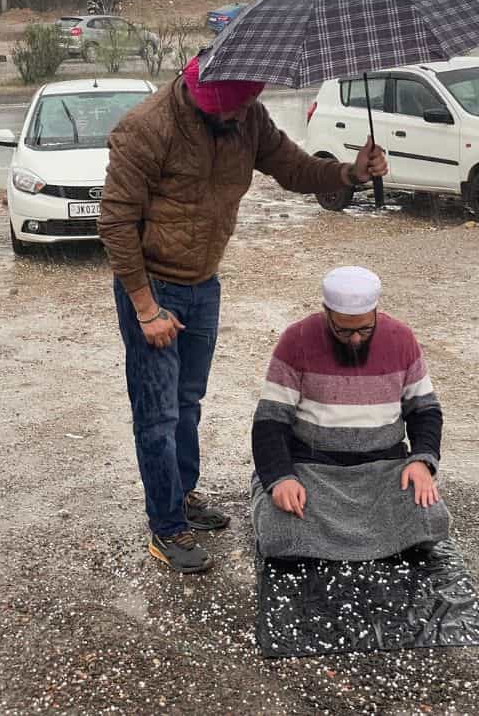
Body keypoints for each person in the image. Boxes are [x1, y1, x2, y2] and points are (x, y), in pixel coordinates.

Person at [98, 57, 389, 574]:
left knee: (188, 402)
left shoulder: (248, 116)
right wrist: (145, 310)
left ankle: (181, 495)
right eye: (228, 112)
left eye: (244, 108)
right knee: (157, 416)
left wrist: (350, 171)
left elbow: (295, 168)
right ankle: (166, 528)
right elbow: (116, 223)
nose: (238, 119)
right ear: (204, 99)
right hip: (154, 289)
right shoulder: (146, 128)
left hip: (203, 284)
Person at [250, 266, 450, 561]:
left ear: (375, 313)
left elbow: (425, 410)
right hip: (312, 470)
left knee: (430, 520)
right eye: (343, 330)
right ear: (327, 313)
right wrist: (281, 478)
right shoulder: (296, 339)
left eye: (364, 329)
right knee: (280, 533)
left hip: (383, 471)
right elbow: (270, 421)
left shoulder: (402, 339)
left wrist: (422, 462)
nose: (355, 339)